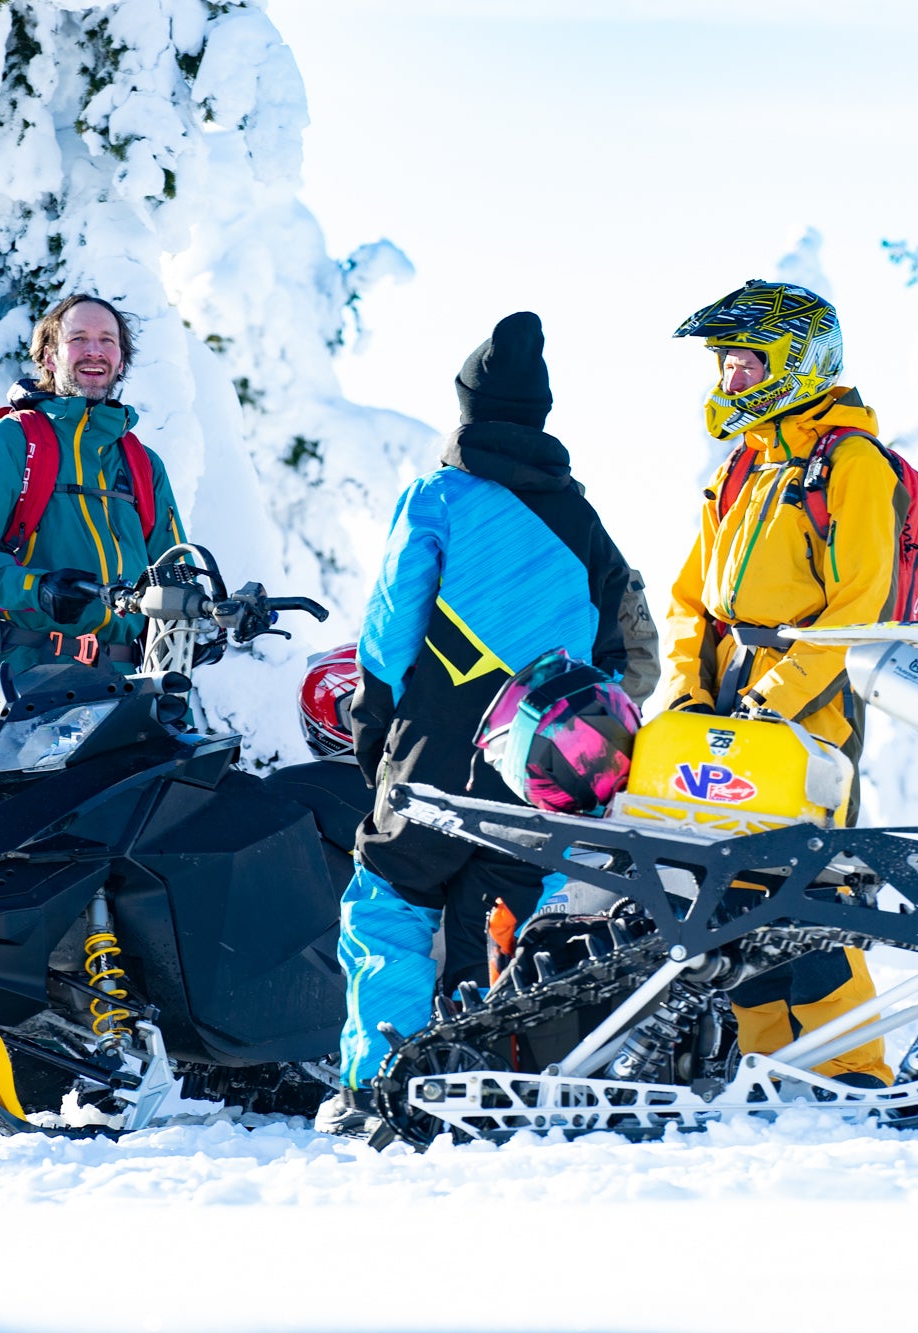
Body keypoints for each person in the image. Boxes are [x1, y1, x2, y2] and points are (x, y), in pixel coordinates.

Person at [316, 311, 633, 1135]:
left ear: (466, 407)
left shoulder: (438, 496)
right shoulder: (582, 519)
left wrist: (374, 723)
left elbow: (389, 630)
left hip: (437, 742)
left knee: (389, 898)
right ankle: (501, 1079)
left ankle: (377, 1083)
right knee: (506, 914)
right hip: (539, 761)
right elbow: (611, 644)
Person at [660, 280, 897, 1090]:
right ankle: (768, 1064)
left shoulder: (852, 464)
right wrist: (693, 687)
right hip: (727, 701)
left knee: (808, 892)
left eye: (742, 364)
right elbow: (692, 597)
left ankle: (856, 1069)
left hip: (811, 709)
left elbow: (858, 606)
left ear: (795, 363)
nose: (727, 381)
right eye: (724, 366)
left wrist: (777, 699)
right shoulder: (743, 467)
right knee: (731, 896)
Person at [0, 294, 186, 687]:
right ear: (49, 357)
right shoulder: (12, 442)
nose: (94, 351)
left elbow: (172, 573)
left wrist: (206, 619)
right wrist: (38, 588)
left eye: (107, 340)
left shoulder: (142, 464)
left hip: (130, 678)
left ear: (121, 359)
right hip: (26, 672)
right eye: (78, 338)